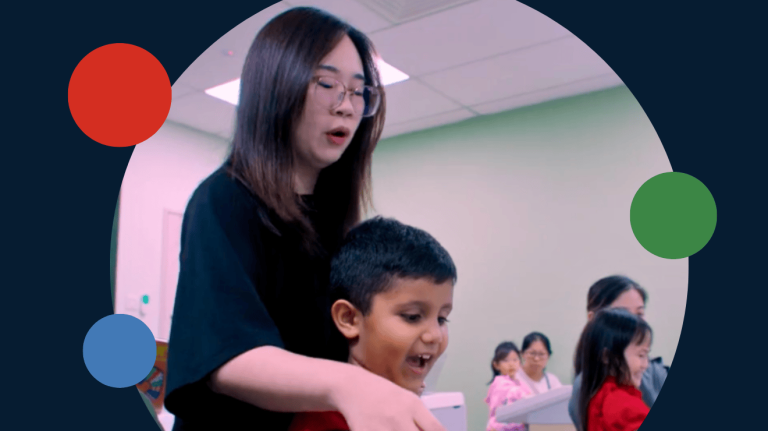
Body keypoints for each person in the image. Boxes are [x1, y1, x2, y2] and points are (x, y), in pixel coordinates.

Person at [164, 8, 445, 431]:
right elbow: (223, 354)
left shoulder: (335, 222)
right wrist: (350, 386)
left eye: (358, 92)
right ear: (278, 87)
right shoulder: (223, 201)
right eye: (328, 85)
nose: (347, 107)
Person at [287, 217, 457, 431]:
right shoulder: (323, 422)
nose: (435, 335)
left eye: (442, 319)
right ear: (349, 319)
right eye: (412, 316)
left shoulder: (409, 407)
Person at [567, 275, 668, 430]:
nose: (635, 323)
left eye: (639, 314)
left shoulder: (655, 371)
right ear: (593, 320)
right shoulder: (591, 386)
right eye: (622, 315)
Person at [574, 308, 652, 431]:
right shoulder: (624, 405)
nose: (645, 364)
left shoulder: (598, 396)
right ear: (608, 357)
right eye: (641, 355)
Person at [484, 342, 532, 431]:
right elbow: (514, 392)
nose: (511, 364)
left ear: (520, 362)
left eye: (515, 360)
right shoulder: (499, 382)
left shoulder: (522, 384)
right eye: (506, 360)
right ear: (496, 365)